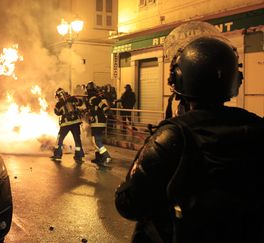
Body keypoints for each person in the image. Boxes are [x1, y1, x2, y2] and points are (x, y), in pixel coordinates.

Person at [115, 36, 264, 243]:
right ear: (234, 80)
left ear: (179, 79)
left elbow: (129, 204)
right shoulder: (257, 126)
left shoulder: (174, 136)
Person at [51, 88, 85, 163]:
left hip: (66, 124)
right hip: (76, 123)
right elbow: (80, 103)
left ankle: (57, 155)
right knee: (77, 140)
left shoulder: (59, 104)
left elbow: (57, 113)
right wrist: (74, 100)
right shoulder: (72, 98)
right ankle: (79, 157)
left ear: (59, 95)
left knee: (60, 139)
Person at [85, 81, 111, 166]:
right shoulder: (94, 97)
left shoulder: (93, 98)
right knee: (94, 141)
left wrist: (105, 109)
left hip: (97, 122)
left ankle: (106, 156)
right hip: (97, 122)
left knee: (97, 141)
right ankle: (98, 158)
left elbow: (99, 104)